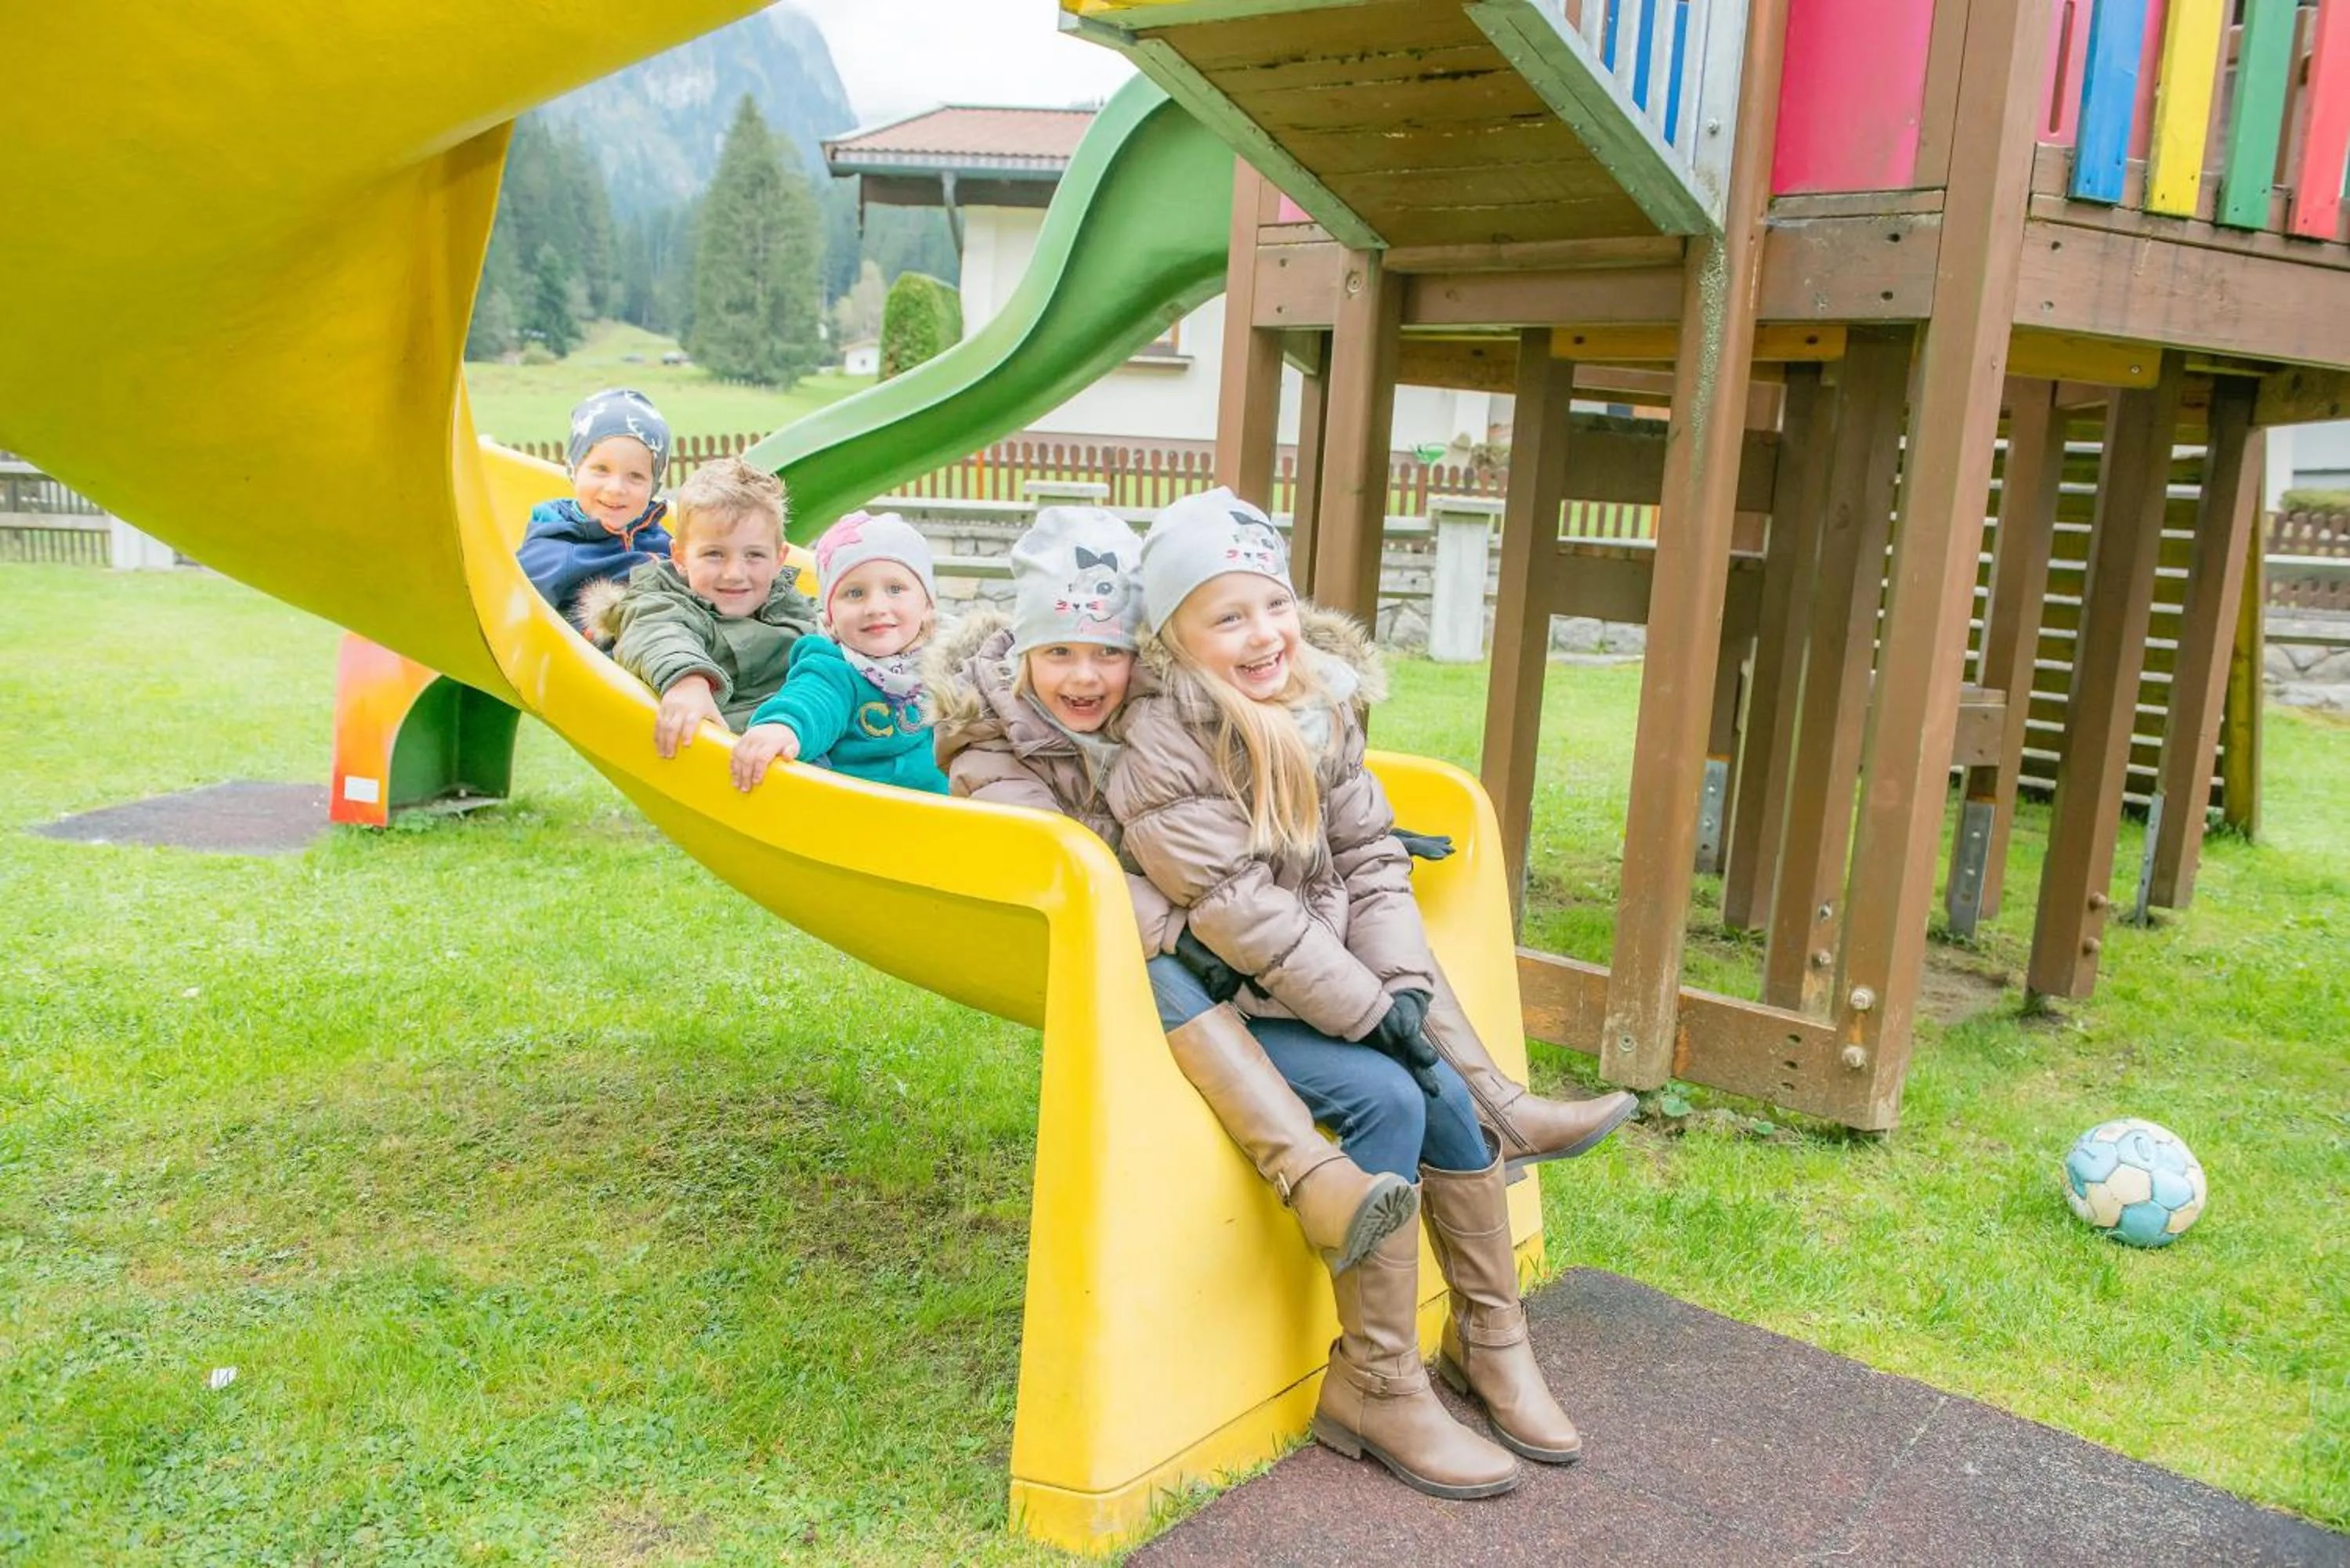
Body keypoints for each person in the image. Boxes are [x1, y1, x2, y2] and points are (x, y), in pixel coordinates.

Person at [1106, 487, 1637, 1501]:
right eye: (1227, 617)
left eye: (1274, 604)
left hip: (1318, 976)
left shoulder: (1319, 703)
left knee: (1437, 1086)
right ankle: (1378, 1381)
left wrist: (1394, 985)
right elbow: (1236, 909)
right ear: (1172, 637)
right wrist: (1367, 1010)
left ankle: (1490, 1338)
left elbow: (1372, 856)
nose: (1265, 633)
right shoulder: (1164, 743)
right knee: (1392, 1093)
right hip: (1232, 991)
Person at [928, 507, 1418, 1276]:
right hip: (1096, 947)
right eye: (1058, 652)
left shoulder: (1159, 716)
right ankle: (1307, 1172)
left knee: (1389, 1075)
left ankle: (1476, 1148)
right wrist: (1182, 935)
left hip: (1224, 949)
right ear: (1024, 654)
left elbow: (1227, 827)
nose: (1085, 676)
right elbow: (1065, 864)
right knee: (1157, 965)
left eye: (1109, 652)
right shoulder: (990, 743)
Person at [574, 457, 818, 758]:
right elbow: (656, 632)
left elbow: (830, 636)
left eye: (754, 555)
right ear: (680, 557)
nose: (734, 573)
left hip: (800, 737)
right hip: (727, 753)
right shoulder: (662, 601)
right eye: (714, 554)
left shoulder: (790, 606)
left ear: (779, 559)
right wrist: (687, 680)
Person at [731, 510, 949, 795]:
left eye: (895, 589)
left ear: (927, 605)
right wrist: (784, 726)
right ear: (830, 616)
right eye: (855, 593)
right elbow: (812, 700)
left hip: (946, 809)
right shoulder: (834, 667)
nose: (876, 607)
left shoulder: (951, 659)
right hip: (860, 810)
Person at [515, 388, 674, 618]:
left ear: (654, 486)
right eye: (601, 469)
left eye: (636, 476)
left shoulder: (662, 540)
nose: (616, 488)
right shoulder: (554, 553)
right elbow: (510, 613)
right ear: (575, 469)